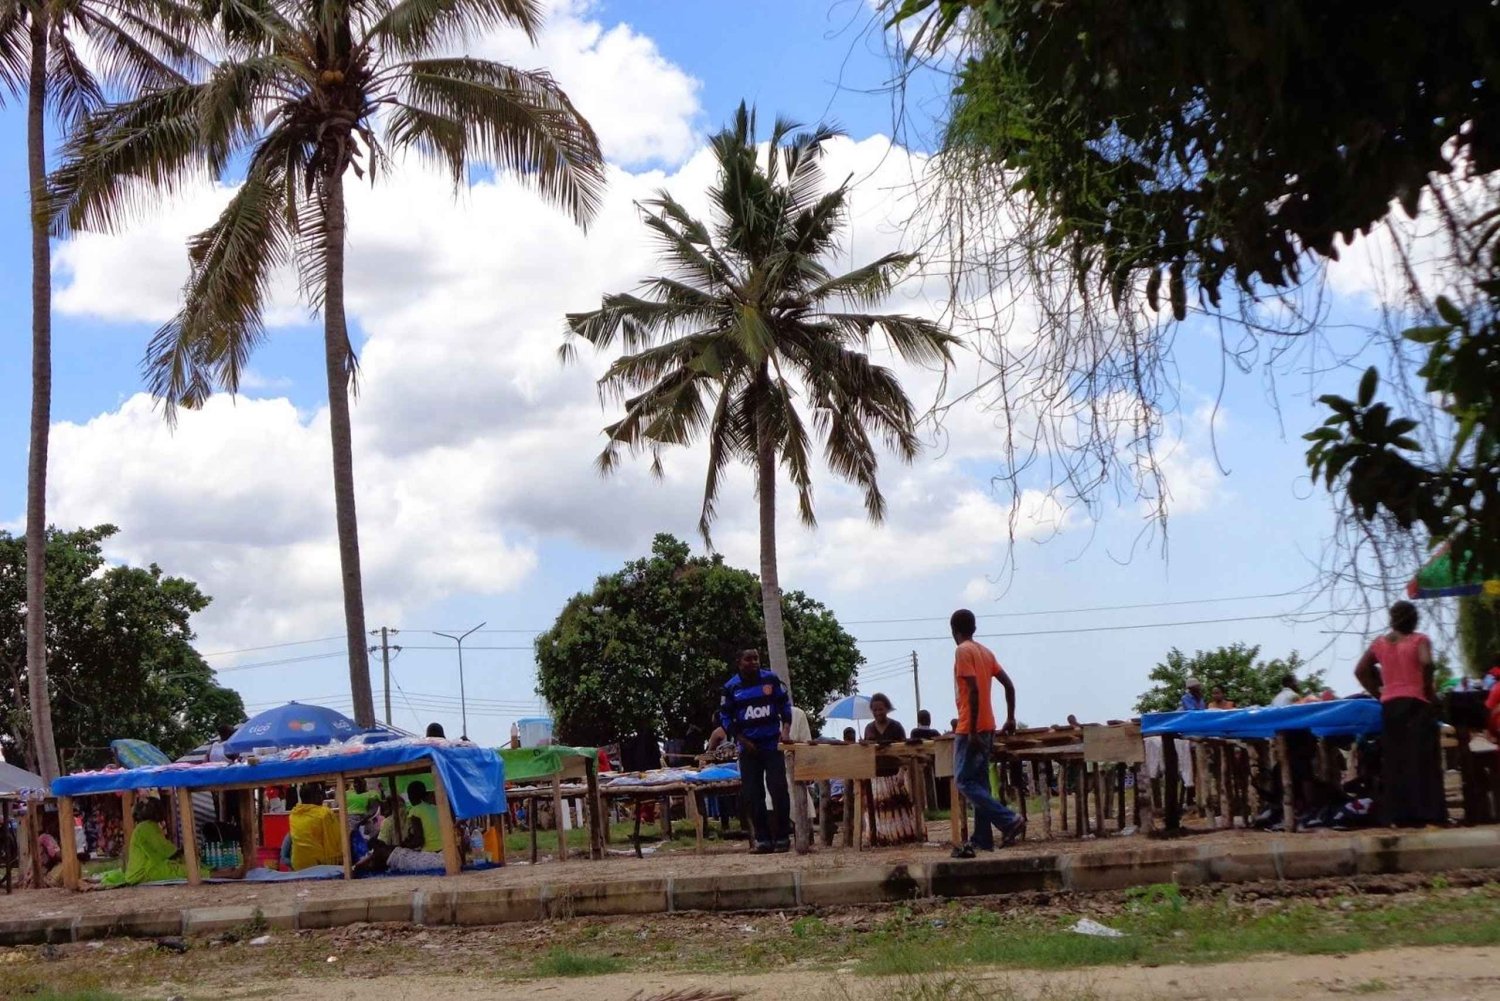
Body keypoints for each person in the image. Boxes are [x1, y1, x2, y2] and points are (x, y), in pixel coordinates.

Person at [1355, 600, 1447, 827]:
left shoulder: (1380, 643)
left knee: (1397, 761)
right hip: (1417, 704)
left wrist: (1379, 692)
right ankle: (1429, 813)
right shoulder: (1419, 640)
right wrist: (1429, 692)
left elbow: (1361, 670)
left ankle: (1400, 815)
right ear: (1414, 619)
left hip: (1391, 707)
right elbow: (1426, 663)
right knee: (1423, 759)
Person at [949, 608, 1024, 858]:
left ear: (953, 631)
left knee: (963, 781)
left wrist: (970, 729)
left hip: (971, 727)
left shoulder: (963, 651)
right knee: (980, 783)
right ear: (974, 628)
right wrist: (1010, 717)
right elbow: (1009, 685)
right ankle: (982, 839)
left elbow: (973, 691)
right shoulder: (985, 652)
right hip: (989, 727)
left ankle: (1009, 819)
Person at [718, 648, 793, 854]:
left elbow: (784, 706)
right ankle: (762, 839)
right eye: (748, 659)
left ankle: (783, 837)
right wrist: (741, 739)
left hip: (771, 744)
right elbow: (725, 718)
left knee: (778, 789)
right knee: (753, 794)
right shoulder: (731, 687)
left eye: (756, 658)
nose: (754, 662)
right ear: (739, 662)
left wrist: (785, 730)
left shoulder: (770, 679)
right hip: (748, 748)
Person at [289, 782, 344, 870]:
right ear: (314, 796)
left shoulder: (293, 814)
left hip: (297, 864)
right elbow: (336, 840)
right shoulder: (324, 813)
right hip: (318, 864)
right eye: (320, 794)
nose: (322, 797)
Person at [404, 781, 445, 853]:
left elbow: (419, 840)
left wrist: (405, 846)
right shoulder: (434, 808)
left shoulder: (415, 811)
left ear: (410, 796)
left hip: (430, 851)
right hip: (444, 849)